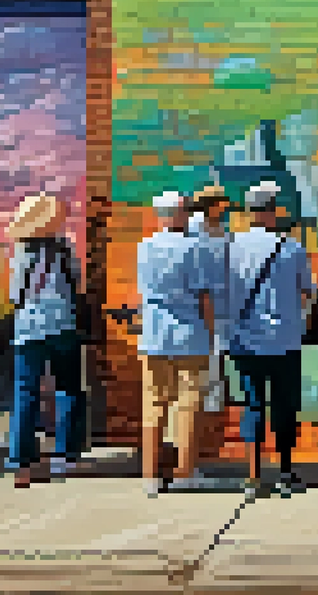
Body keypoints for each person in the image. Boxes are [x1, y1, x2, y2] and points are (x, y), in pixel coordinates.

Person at [227, 181, 313, 495]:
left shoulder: (231, 246)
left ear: (248, 212)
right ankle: (286, 472)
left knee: (252, 405)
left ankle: (252, 475)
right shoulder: (291, 247)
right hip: (285, 339)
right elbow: (307, 292)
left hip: (245, 339)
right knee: (284, 407)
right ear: (273, 210)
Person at [4, 193, 86, 488]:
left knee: (26, 393)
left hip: (28, 329)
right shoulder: (65, 249)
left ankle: (21, 463)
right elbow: (77, 284)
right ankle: (65, 456)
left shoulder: (21, 251)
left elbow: (15, 294)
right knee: (68, 389)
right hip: (63, 325)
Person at [136, 190, 215, 494]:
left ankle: (150, 475)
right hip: (189, 334)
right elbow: (204, 296)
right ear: (181, 214)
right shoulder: (197, 248)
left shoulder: (145, 247)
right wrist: (211, 335)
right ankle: (184, 472)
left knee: (153, 405)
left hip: (154, 334)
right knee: (188, 404)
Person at [190, 186, 233, 420]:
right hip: (203, 297)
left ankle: (214, 404)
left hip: (222, 298)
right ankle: (208, 406)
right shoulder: (195, 228)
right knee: (209, 353)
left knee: (217, 351)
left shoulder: (219, 229)